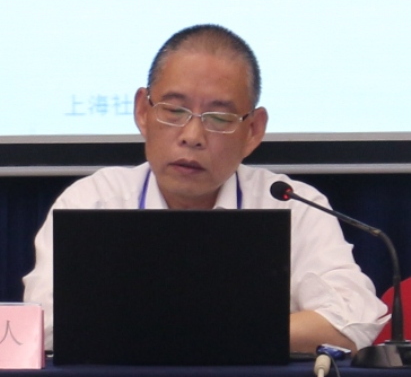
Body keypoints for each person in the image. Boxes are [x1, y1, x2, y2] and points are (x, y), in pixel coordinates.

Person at [23, 24, 389, 352]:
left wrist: (193, 331)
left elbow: (353, 321)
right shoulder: (92, 201)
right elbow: (43, 326)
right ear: (143, 112)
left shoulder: (293, 206)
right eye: (174, 111)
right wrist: (232, 331)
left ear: (253, 131)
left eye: (218, 118)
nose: (193, 136)